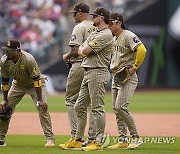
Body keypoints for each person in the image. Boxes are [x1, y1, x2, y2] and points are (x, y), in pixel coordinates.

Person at [64, 7, 113, 151]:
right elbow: (82, 48)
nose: (92, 17)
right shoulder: (96, 32)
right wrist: (83, 49)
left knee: (97, 108)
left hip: (98, 72)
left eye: (95, 15)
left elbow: (83, 50)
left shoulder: (106, 34)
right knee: (79, 106)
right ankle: (78, 139)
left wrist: (83, 49)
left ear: (102, 17)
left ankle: (98, 141)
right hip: (88, 71)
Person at [0, 39, 55, 147]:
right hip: (18, 85)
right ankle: (1, 138)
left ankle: (50, 139)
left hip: (34, 85)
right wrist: (5, 99)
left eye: (10, 51)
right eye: (6, 50)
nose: (7, 53)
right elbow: (5, 81)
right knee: (5, 110)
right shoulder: (4, 61)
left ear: (18, 50)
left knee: (42, 108)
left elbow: (37, 80)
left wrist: (40, 100)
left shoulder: (28, 59)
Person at [59, 3, 96, 149]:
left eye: (74, 13)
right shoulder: (96, 26)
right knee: (92, 104)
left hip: (80, 64)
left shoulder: (79, 27)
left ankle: (76, 136)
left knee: (70, 99)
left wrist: (66, 56)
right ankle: (92, 138)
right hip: (93, 66)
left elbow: (75, 50)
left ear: (81, 14)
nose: (72, 15)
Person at [108, 13, 147, 150]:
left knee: (120, 107)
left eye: (110, 22)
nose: (108, 25)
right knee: (116, 110)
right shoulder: (114, 38)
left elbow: (142, 50)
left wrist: (135, 67)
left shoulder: (128, 35)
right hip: (116, 76)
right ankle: (122, 139)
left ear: (119, 23)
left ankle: (135, 137)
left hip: (128, 78)